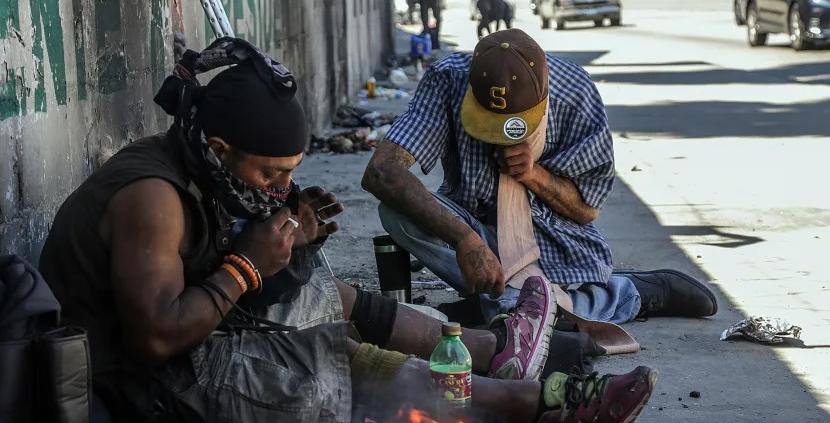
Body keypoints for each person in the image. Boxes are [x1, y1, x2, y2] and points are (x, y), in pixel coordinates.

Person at [39, 38, 656, 423]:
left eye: (290, 174)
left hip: (184, 350)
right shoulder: (153, 198)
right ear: (220, 148)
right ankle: (526, 402)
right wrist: (246, 265)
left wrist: (291, 241)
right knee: (321, 365)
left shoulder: (199, 164)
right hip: (138, 385)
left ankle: (493, 350)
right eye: (270, 173)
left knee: (325, 299)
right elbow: (153, 340)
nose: (279, 187)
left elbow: (222, 274)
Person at [362, 29, 717, 327]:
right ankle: (505, 305)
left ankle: (626, 294)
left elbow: (586, 210)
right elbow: (382, 172)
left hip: (553, 241)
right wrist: (465, 240)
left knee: (519, 319)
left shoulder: (574, 93)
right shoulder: (449, 79)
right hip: (474, 228)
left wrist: (534, 175)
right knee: (394, 210)